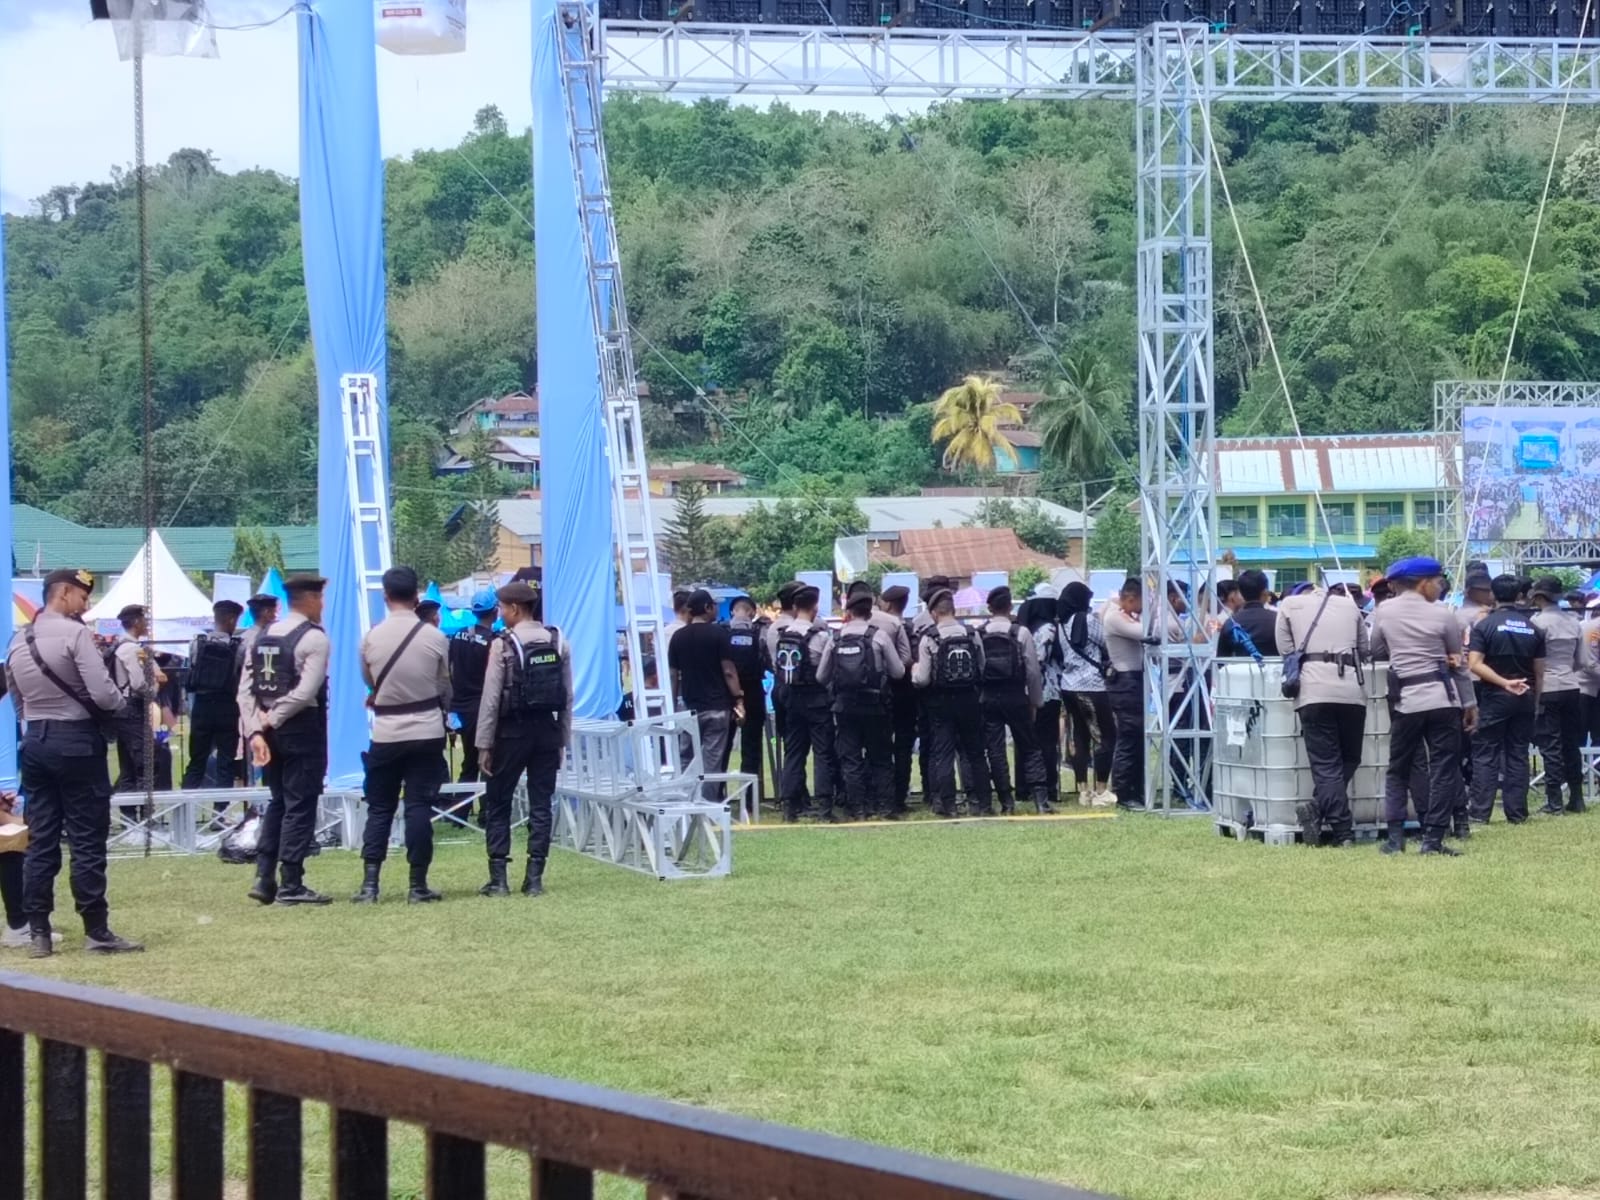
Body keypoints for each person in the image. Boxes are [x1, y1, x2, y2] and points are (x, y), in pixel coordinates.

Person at [4, 568, 143, 956]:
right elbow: (102, 693)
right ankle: (96, 930)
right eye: (83, 597)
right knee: (86, 839)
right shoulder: (75, 634)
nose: (86, 605)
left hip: (36, 742)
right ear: (63, 593)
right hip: (78, 742)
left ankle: (39, 933)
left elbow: (17, 700)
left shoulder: (18, 640)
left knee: (41, 840)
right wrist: (119, 703)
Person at [354, 566, 451, 905]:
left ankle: (370, 884)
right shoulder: (435, 638)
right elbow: (443, 686)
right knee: (418, 806)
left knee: (379, 807)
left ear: (385, 596)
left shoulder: (370, 638)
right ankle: (417, 883)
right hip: (426, 728)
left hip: (386, 730)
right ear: (416, 596)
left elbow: (370, 680)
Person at [1368, 557, 1477, 856]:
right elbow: (1458, 663)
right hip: (1443, 700)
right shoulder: (1444, 614)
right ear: (1423, 582)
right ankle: (1433, 841)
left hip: (1406, 701)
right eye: (1438, 581)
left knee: (1398, 770)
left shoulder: (1384, 610)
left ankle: (1394, 839)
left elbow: (1376, 649)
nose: (1441, 586)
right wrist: (1469, 703)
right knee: (1444, 769)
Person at [240, 574, 333, 905]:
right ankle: (291, 882)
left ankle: (264, 876)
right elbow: (306, 691)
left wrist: (256, 730)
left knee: (278, 802)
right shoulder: (315, 639)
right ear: (308, 599)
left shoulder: (263, 635)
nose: (322, 605)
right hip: (300, 727)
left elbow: (246, 690)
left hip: (268, 733)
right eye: (320, 599)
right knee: (300, 804)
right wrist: (273, 719)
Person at [475, 581, 571, 897]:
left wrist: (484, 744)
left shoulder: (503, 644)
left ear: (515, 608)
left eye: (502, 608)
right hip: (547, 731)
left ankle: (498, 878)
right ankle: (534, 879)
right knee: (542, 803)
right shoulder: (558, 641)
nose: (500, 614)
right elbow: (568, 697)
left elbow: (490, 699)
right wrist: (562, 742)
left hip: (510, 733)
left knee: (499, 803)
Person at [1275, 576, 1369, 847]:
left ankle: (1339, 829)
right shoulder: (1351, 606)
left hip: (1312, 690)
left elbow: (1286, 650)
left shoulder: (1289, 605)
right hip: (1351, 689)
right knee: (1351, 757)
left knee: (1326, 764)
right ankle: (1320, 809)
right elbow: (1364, 649)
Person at [819, 588, 904, 819]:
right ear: (870, 611)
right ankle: (885, 807)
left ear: (849, 611)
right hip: (876, 705)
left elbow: (821, 677)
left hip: (845, 707)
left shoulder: (835, 638)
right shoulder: (879, 636)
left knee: (851, 759)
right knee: (881, 758)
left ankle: (857, 808)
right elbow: (898, 671)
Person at [1466, 574, 1543, 826]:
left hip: (1495, 695)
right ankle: (1517, 813)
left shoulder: (1484, 626)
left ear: (1492, 595)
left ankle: (1479, 812)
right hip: (1526, 695)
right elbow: (1539, 671)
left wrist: (1502, 682)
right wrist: (1535, 700)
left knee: (1486, 753)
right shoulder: (1533, 628)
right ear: (1520, 596)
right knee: (1518, 754)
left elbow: (1474, 664)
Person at [912, 588, 993, 818]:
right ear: (953, 610)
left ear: (933, 613)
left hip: (940, 702)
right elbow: (982, 666)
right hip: (969, 699)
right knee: (976, 752)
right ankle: (983, 802)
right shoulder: (971, 634)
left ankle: (947, 804)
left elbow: (923, 679)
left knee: (943, 753)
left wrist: (914, 672)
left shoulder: (929, 637)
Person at [976, 587, 1050, 815]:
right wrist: (1036, 701)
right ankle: (1040, 801)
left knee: (995, 750)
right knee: (1030, 747)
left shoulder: (979, 633)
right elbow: (1033, 671)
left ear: (990, 608)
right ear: (1010, 607)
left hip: (989, 697)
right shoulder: (1021, 632)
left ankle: (1007, 802)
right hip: (1016, 696)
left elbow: (978, 669)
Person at [669, 589, 745, 804]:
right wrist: (738, 697)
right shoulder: (719, 634)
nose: (717, 609)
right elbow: (728, 671)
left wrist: (674, 702)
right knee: (712, 760)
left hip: (689, 706)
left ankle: (685, 801)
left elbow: (674, 674)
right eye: (714, 605)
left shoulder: (678, 637)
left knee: (687, 757)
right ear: (707, 608)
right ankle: (708, 804)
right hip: (717, 707)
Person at [774, 586, 838, 822]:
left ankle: (790, 806)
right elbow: (824, 675)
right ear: (814, 607)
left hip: (791, 699)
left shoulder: (784, 634)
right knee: (822, 753)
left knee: (794, 752)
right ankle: (824, 808)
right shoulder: (820, 637)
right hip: (817, 700)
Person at [1527, 575, 1587, 815]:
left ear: (1539, 597)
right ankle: (1577, 797)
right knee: (1571, 744)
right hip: (1572, 686)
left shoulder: (1537, 623)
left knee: (1550, 745)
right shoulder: (1573, 621)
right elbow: (1581, 661)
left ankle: (1554, 801)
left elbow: (1533, 661)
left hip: (1548, 687)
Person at [1057, 583, 1116, 806]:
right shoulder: (1088, 621)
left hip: (1068, 685)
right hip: (1092, 685)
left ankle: (1083, 790)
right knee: (1105, 736)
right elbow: (1106, 641)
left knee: (1079, 737)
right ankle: (1101, 790)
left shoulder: (1062, 623)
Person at [182, 599, 244, 793]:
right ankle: (221, 814)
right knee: (225, 763)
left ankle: (184, 810)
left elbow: (192, 669)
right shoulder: (239, 647)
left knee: (196, 760)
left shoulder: (197, 644)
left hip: (202, 705)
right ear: (232, 619)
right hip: (227, 706)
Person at [1102, 578, 1147, 810]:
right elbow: (1144, 632)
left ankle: (1136, 789)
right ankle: (1124, 791)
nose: (1143, 608)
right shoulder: (1114, 617)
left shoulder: (1123, 614)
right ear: (1130, 598)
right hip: (1124, 682)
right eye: (1142, 601)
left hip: (1132, 681)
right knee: (1129, 738)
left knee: (1137, 738)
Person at [111, 604, 164, 799]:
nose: (147, 624)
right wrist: (153, 690)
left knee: (128, 766)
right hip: (132, 708)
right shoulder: (132, 649)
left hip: (122, 708)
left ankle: (130, 816)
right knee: (145, 763)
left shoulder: (119, 646)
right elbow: (138, 683)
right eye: (144, 620)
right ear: (135, 622)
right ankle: (144, 817)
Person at [448, 588, 500, 786]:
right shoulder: (494, 642)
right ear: (495, 611)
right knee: (489, 762)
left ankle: (460, 811)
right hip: (484, 709)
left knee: (469, 761)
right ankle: (487, 813)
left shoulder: (459, 636)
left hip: (461, 708)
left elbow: (449, 670)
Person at [1018, 592, 1065, 808]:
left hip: (1027, 692)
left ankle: (1024, 786)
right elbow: (1041, 659)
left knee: (1027, 741)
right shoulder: (1047, 629)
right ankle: (1048, 786)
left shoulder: (1024, 630)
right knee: (1047, 742)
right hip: (1047, 692)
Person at [725, 594, 767, 814]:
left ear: (732, 611)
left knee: (722, 747)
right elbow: (768, 662)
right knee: (752, 749)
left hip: (728, 695)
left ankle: (718, 797)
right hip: (754, 693)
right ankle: (749, 802)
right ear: (752, 612)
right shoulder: (759, 632)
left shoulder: (722, 631)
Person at [880, 585, 919, 817]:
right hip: (906, 692)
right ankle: (899, 795)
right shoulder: (910, 628)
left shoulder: (877, 626)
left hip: (883, 692)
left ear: (887, 604)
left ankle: (882, 794)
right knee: (904, 747)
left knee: (881, 748)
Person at [1218, 569, 1279, 658]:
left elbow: (1221, 659)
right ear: (1265, 593)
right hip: (1275, 670)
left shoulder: (1230, 622)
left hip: (1239, 671)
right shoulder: (1277, 619)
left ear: (1241, 594)